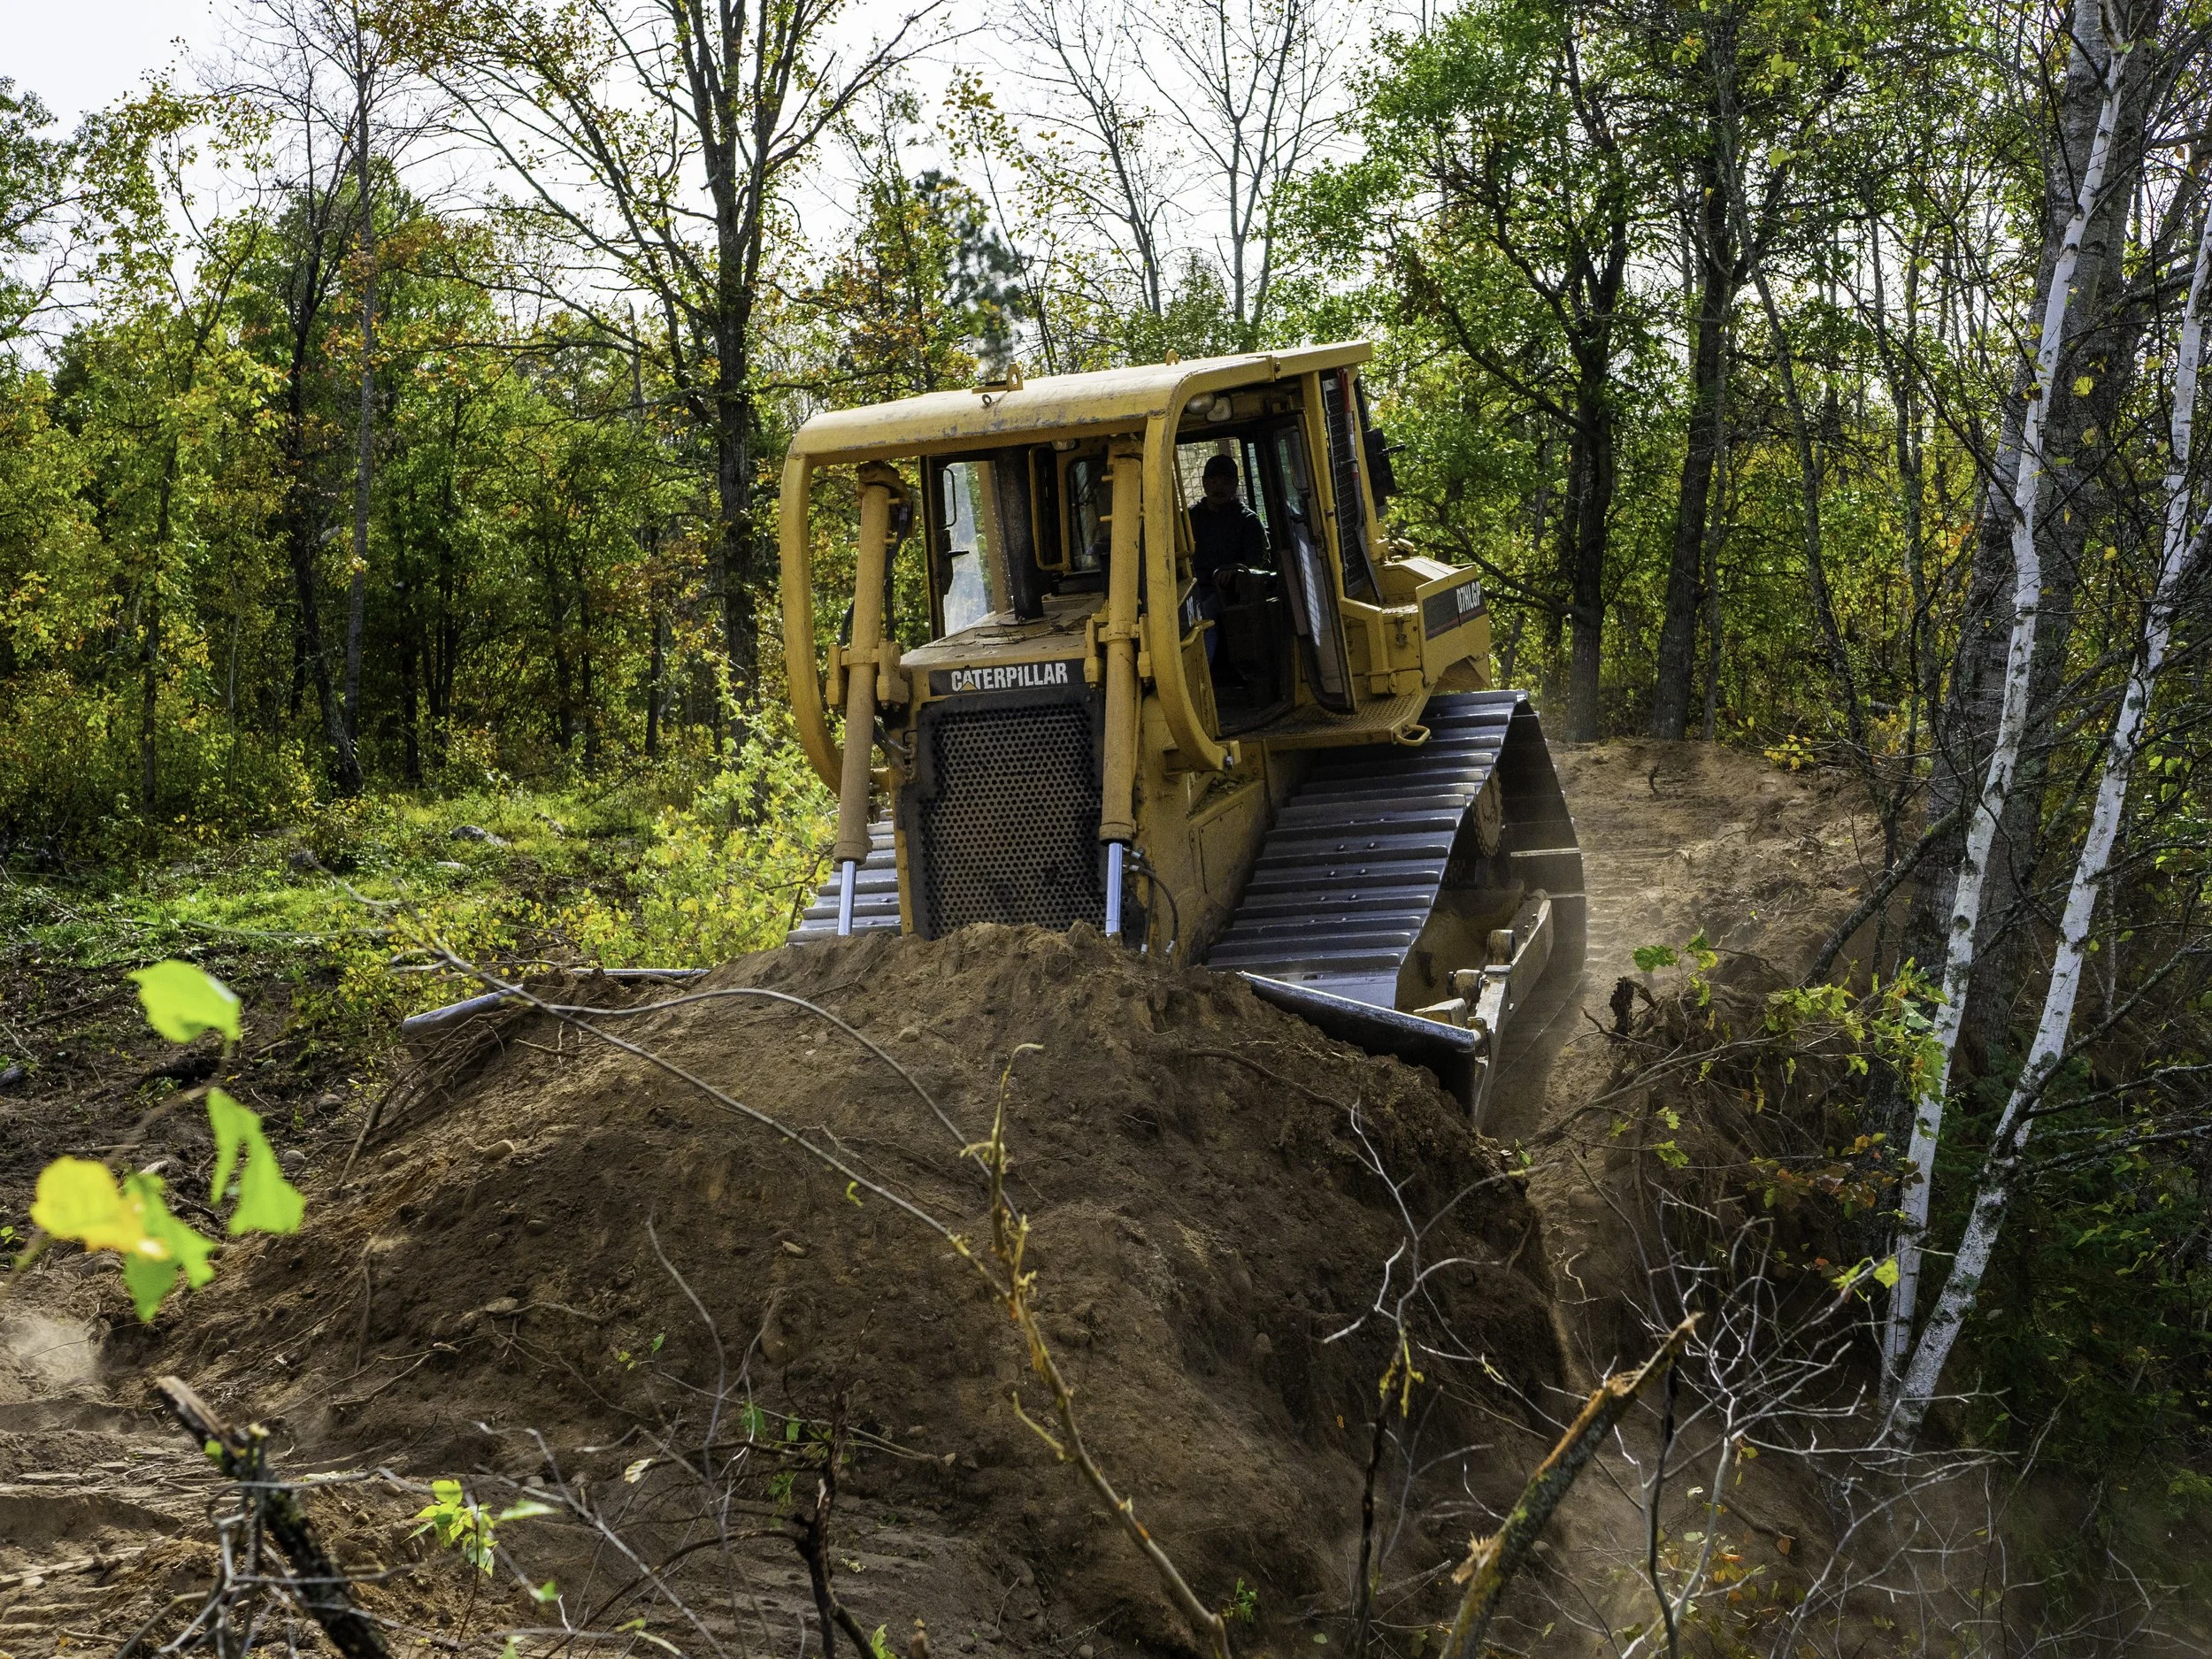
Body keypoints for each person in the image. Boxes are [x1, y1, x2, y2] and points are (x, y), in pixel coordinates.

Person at [1188, 454, 1269, 662]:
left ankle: (1203, 673)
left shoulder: (1247, 521)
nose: (1219, 488)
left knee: (1204, 617)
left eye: (1225, 482)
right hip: (1193, 588)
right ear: (1205, 483)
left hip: (1229, 592)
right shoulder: (1190, 520)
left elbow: (1258, 563)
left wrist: (1236, 570)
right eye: (1213, 482)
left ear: (1235, 484)